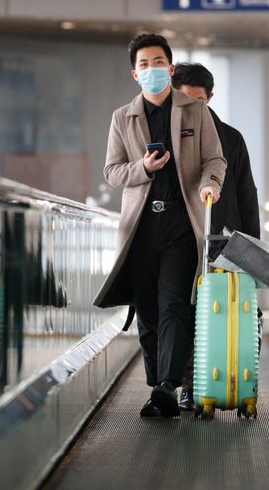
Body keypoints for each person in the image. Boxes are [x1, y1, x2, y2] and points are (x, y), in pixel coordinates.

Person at [92, 35, 226, 418]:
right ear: (136, 73)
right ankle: (158, 386)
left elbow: (214, 159)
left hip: (182, 225)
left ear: (170, 68)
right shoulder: (123, 117)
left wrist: (208, 185)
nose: (152, 69)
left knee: (173, 306)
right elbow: (112, 172)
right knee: (147, 312)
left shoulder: (194, 111)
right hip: (140, 227)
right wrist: (143, 169)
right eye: (144, 64)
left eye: (158, 62)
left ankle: (168, 384)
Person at [171, 62, 261, 411]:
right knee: (184, 312)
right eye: (185, 100)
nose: (192, 108)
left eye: (199, 101)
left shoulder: (230, 138)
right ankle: (188, 386)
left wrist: (250, 248)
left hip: (222, 241)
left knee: (218, 312)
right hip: (180, 239)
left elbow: (246, 194)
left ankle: (230, 381)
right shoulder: (166, 132)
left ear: (210, 98)